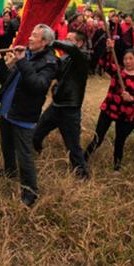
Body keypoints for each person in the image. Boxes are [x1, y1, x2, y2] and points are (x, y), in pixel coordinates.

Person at [0, 24, 58, 206]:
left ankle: (30, 191)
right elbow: (7, 79)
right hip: (7, 111)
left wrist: (21, 61)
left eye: (34, 35)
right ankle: (9, 170)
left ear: (44, 42)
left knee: (25, 155)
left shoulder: (49, 62)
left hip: (23, 115)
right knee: (7, 145)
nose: (29, 38)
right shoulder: (27, 56)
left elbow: (38, 86)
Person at [33, 31, 90, 179]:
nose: (66, 42)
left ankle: (82, 175)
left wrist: (51, 41)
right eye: (66, 39)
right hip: (56, 106)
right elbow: (53, 72)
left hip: (70, 109)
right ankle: (36, 150)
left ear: (79, 43)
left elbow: (71, 49)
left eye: (70, 40)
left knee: (73, 146)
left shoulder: (82, 58)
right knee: (37, 133)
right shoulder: (64, 58)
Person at [84, 43, 134, 170]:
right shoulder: (117, 72)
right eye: (125, 58)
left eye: (131, 59)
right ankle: (83, 158)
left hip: (124, 114)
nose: (127, 61)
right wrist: (107, 50)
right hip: (109, 109)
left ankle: (117, 167)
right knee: (98, 137)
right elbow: (103, 63)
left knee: (119, 141)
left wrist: (131, 98)